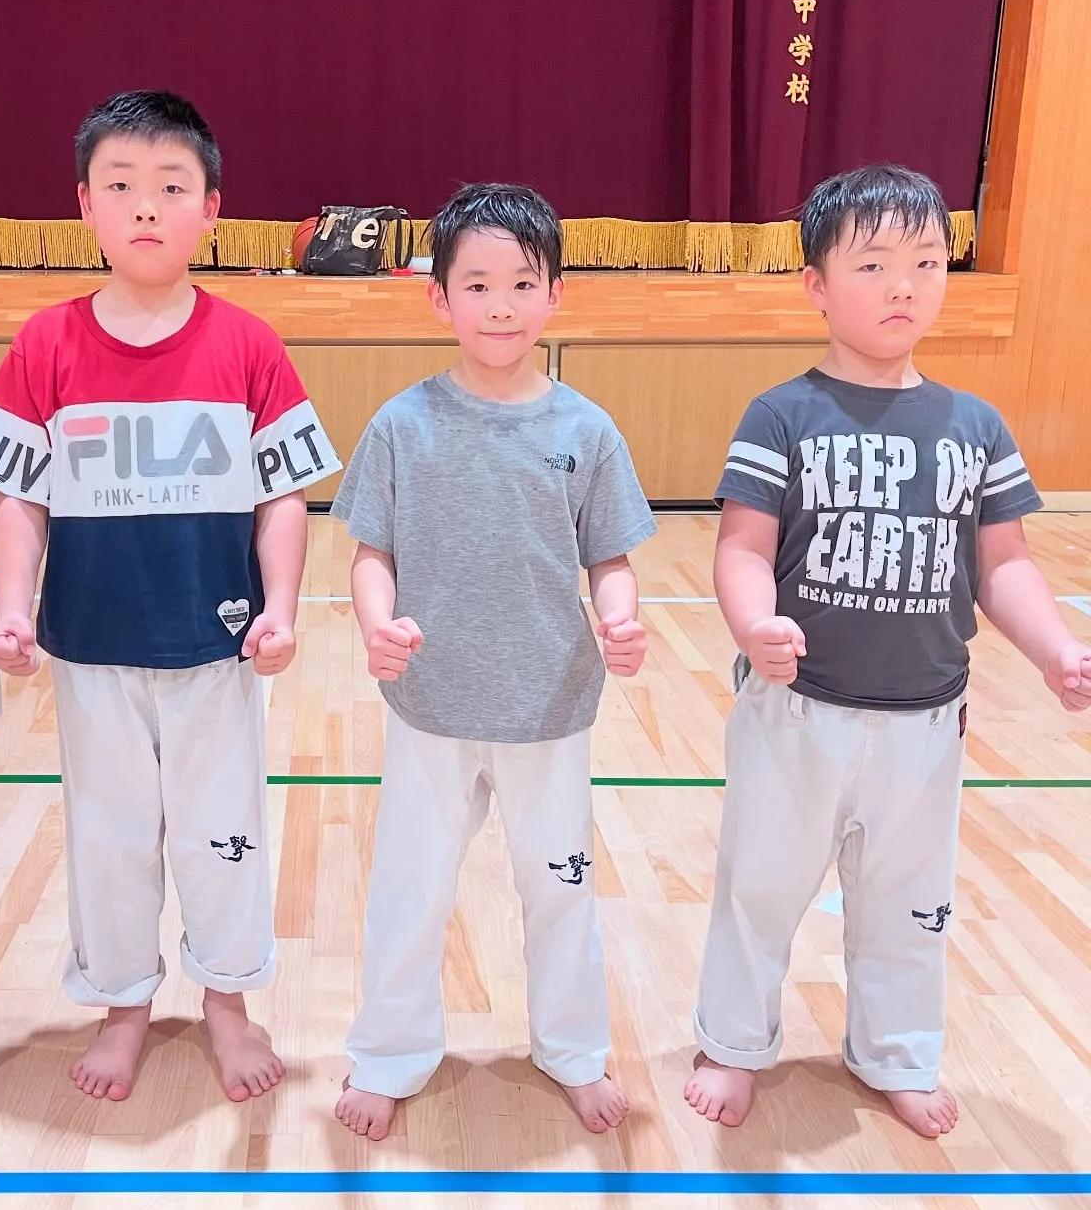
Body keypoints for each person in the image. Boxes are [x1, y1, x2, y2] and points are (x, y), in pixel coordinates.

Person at [685, 164, 1091, 1137]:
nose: (905, 284)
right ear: (817, 284)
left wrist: (1053, 647)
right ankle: (733, 1042)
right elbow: (740, 547)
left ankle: (896, 1053)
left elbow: (1004, 567)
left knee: (912, 907)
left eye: (924, 260)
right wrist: (756, 625)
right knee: (761, 888)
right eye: (872, 264)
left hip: (924, 721)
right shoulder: (783, 415)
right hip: (798, 713)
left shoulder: (974, 426)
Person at [0, 90, 341, 1104]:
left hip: (214, 652)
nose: (145, 208)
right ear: (84, 205)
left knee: (224, 832)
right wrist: (12, 605)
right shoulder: (42, 346)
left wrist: (281, 607)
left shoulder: (250, 346)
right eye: (121, 187)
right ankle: (124, 1003)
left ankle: (227, 1001)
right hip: (91, 651)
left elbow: (286, 497)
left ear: (210, 209)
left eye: (171, 188)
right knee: (111, 834)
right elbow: (17, 498)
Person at [330, 183, 656, 1140]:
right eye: (478, 284)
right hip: (430, 708)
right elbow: (369, 553)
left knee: (560, 889)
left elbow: (611, 557)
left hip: (550, 707)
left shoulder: (586, 431)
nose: (502, 304)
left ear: (556, 292)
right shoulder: (403, 423)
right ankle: (388, 1055)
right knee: (409, 893)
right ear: (440, 299)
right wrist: (376, 625)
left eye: (523, 282)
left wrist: (622, 620)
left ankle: (573, 1052)